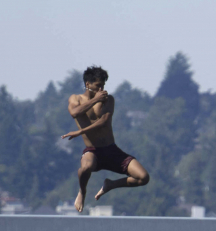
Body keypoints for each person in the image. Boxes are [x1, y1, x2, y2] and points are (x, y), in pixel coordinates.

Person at [63, 65, 151, 213]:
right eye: (98, 86)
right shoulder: (76, 98)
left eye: (103, 85)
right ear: (87, 84)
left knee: (143, 177)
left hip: (111, 150)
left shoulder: (108, 99)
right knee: (85, 168)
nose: (101, 90)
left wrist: (80, 132)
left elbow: (104, 122)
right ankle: (82, 191)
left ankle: (110, 185)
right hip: (93, 151)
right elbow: (74, 112)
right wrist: (94, 100)